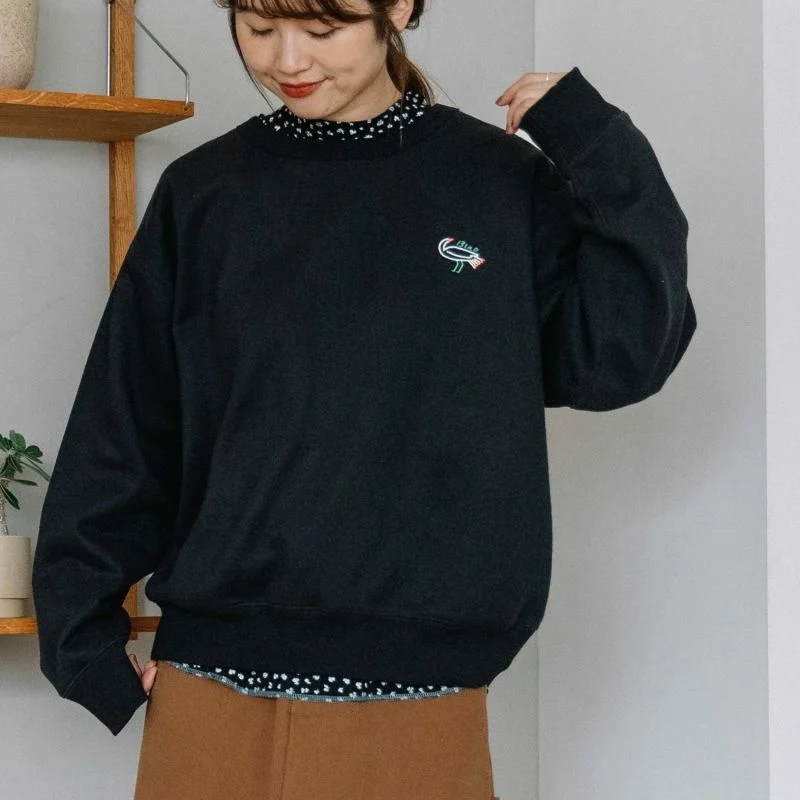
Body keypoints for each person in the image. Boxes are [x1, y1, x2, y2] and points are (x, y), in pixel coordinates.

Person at [31, 0, 697, 797]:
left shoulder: (495, 182)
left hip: (422, 699)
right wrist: (85, 649)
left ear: (400, 8)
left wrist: (595, 140)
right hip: (210, 691)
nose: (287, 60)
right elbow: (126, 425)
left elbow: (620, 359)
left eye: (322, 29)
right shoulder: (205, 192)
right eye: (258, 26)